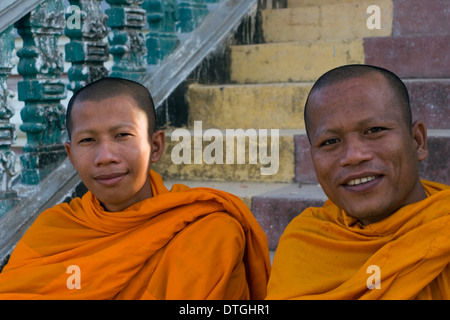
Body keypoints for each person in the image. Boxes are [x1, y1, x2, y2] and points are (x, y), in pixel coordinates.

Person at [0, 77, 270, 299]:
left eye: (122, 135)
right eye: (88, 140)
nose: (105, 156)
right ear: (71, 155)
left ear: (156, 146)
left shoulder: (209, 232)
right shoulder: (54, 232)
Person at [266, 64, 450, 300]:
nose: (353, 156)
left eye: (374, 130)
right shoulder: (306, 244)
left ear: (417, 141)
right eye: (330, 142)